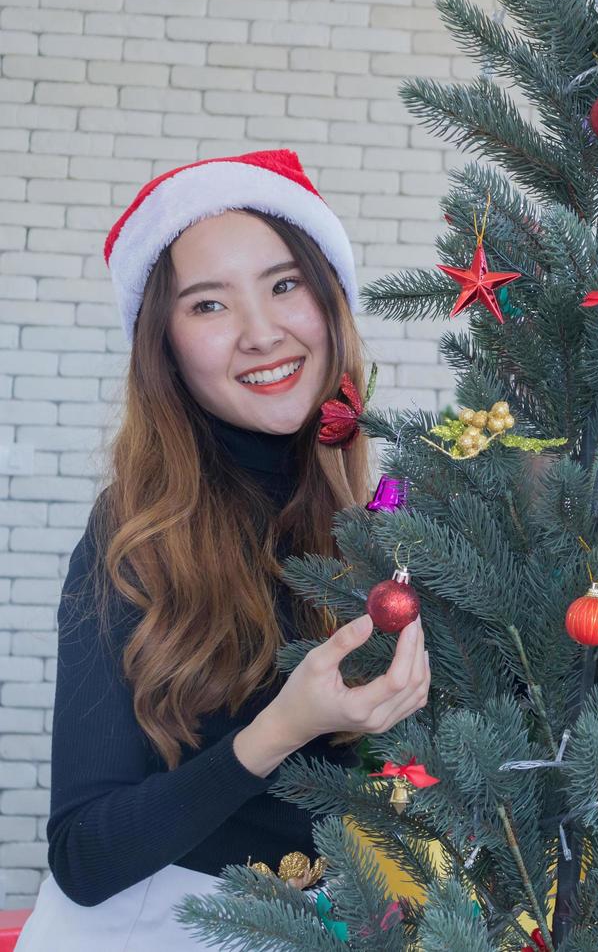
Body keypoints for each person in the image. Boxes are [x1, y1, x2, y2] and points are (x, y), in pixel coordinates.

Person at [18, 149, 432, 950]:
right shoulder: (135, 533)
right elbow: (83, 854)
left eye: (284, 285)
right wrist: (281, 728)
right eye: (208, 306)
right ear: (165, 348)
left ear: (329, 300)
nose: (261, 332)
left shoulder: (380, 532)